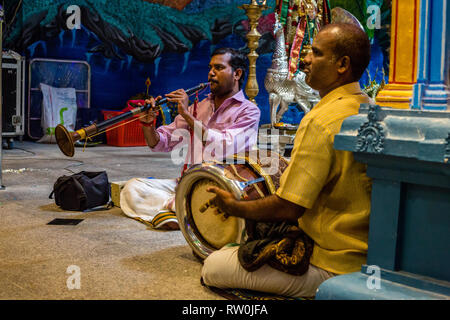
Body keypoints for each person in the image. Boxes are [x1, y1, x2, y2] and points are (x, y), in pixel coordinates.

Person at [201, 23, 373, 298]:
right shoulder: (369, 106)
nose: (304, 60)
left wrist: (235, 206)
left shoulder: (320, 121)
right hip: (367, 253)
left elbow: (289, 207)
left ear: (342, 64)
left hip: (332, 262)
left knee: (213, 266)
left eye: (315, 53)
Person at [120, 47, 261, 230]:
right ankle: (181, 211)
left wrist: (187, 115)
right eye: (210, 68)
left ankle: (176, 209)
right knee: (133, 188)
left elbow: (223, 146)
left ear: (237, 74)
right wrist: (148, 125)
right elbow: (161, 143)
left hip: (221, 187)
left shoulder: (249, 111)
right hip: (188, 183)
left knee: (216, 202)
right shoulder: (201, 107)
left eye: (218, 68)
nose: (211, 73)